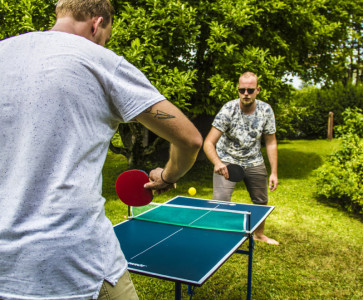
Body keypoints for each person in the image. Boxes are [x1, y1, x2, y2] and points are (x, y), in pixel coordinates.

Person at [0, 0, 203, 299]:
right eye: (106, 37)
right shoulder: (100, 61)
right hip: (74, 264)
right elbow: (190, 140)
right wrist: (166, 174)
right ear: (97, 24)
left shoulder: (4, 52)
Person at [203, 72, 279, 245]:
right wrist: (217, 162)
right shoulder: (228, 110)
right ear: (238, 90)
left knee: (261, 200)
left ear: (257, 90)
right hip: (227, 159)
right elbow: (208, 142)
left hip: (254, 160)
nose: (246, 93)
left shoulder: (266, 110)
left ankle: (259, 234)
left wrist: (274, 172)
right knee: (220, 202)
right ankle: (220, 235)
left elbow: (271, 142)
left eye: (250, 90)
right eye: (242, 90)